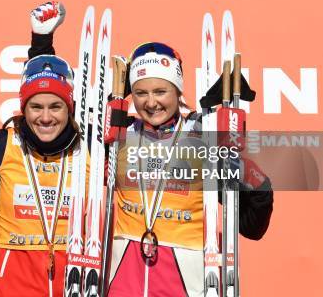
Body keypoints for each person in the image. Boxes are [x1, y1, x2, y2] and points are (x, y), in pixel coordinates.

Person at [106, 42, 274, 296]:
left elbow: (251, 225)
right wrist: (42, 44)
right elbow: (50, 126)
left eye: (160, 91)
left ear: (177, 91)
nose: (151, 102)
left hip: (186, 282)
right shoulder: (120, 136)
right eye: (141, 93)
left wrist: (258, 185)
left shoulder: (200, 139)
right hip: (124, 282)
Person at [0, 2, 86, 297]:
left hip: (77, 277)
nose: (45, 117)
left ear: (70, 109)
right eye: (35, 107)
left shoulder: (89, 150)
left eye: (56, 107)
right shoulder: (1, 146)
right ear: (22, 109)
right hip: (12, 281)